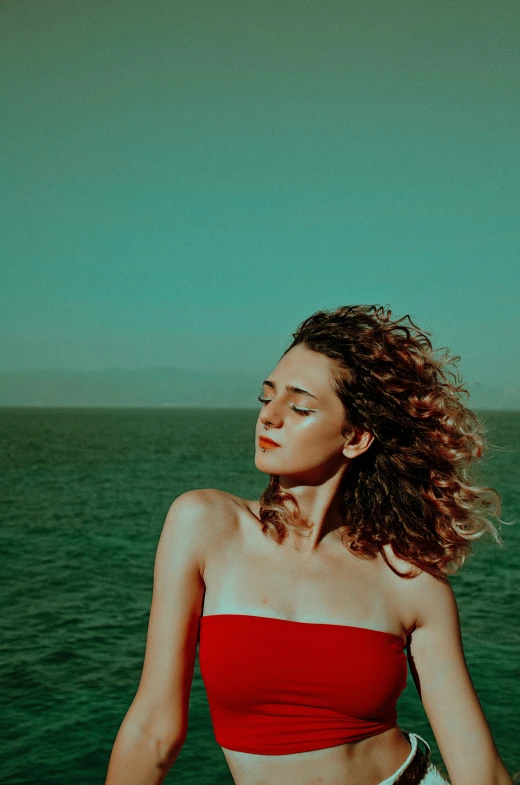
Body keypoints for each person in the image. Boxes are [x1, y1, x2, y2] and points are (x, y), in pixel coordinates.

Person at [105, 305, 514, 785]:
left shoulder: (410, 582)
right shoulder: (205, 525)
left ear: (357, 437)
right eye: (265, 397)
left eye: (299, 407)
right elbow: (154, 728)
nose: (269, 417)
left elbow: (479, 772)